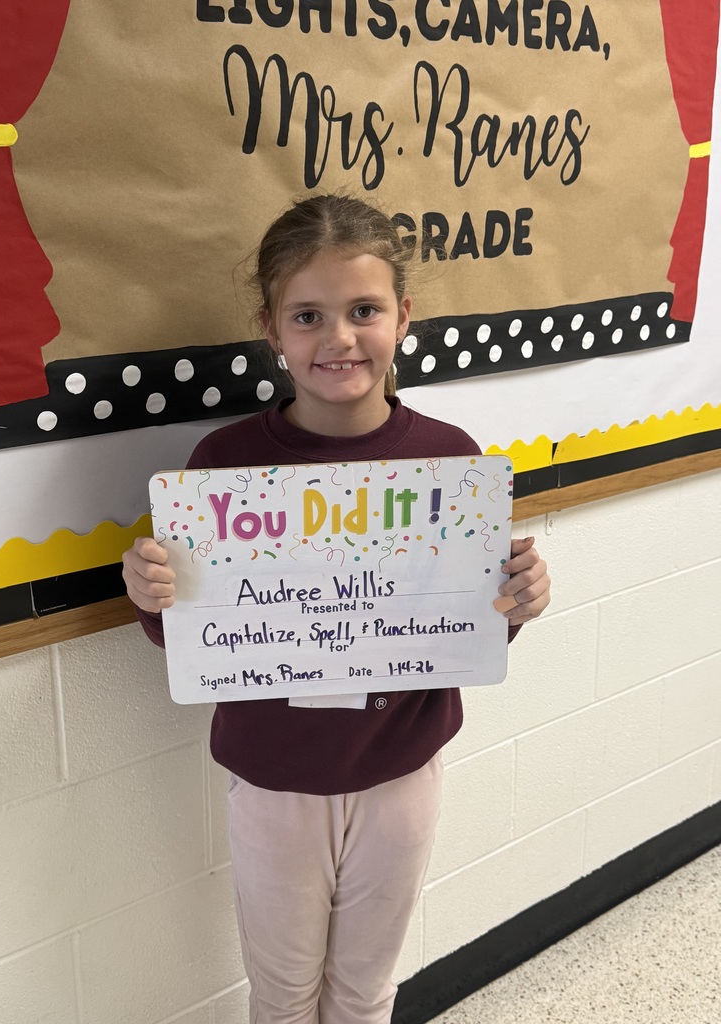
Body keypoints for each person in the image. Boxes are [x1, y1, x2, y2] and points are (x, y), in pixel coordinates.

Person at [122, 193, 551, 1024]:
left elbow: (464, 626)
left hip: (400, 768)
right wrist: (152, 599)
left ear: (404, 316)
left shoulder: (449, 461)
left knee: (364, 991)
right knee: (283, 995)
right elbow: (197, 633)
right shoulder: (223, 464)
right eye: (309, 316)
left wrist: (518, 602)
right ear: (272, 329)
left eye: (363, 311)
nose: (340, 338)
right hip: (274, 778)